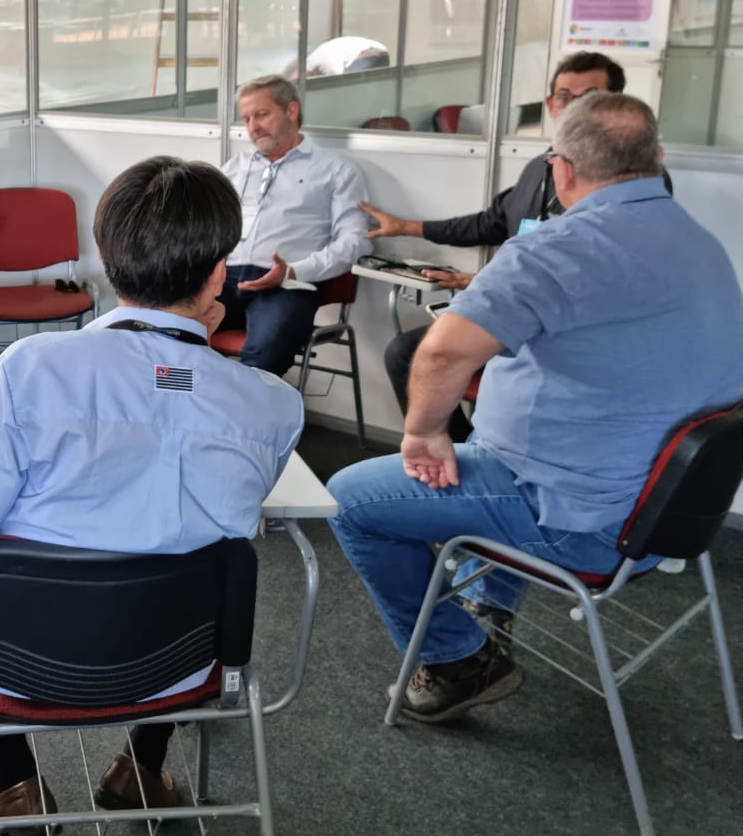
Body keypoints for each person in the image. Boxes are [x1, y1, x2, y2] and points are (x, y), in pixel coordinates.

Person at [0, 155, 303, 833]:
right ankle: (144, 768)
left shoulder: (31, 370)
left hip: (26, 671)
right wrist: (194, 358)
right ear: (215, 275)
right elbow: (172, 399)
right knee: (183, 543)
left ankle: (16, 787)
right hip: (182, 669)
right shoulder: (270, 404)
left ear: (104, 258)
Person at [328, 93, 743, 724]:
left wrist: (423, 433)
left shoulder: (558, 247)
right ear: (656, 159)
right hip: (671, 519)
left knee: (351, 501)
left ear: (562, 170)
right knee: (497, 460)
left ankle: (458, 659)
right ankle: (490, 608)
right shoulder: (701, 243)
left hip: (584, 521)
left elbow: (440, 355)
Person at [359, 53, 650, 439]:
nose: (574, 107)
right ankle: (456, 455)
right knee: (408, 352)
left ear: (616, 104)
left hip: (567, 332)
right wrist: (406, 227)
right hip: (516, 315)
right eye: (565, 97)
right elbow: (488, 223)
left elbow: (593, 278)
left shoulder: (632, 185)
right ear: (550, 106)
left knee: (431, 352)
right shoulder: (541, 168)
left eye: (590, 97)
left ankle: (469, 459)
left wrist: (485, 283)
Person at [217, 74, 371, 374]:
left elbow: (355, 242)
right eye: (246, 119)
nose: (253, 127)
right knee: (167, 331)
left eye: (261, 115)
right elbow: (206, 227)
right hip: (222, 279)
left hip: (285, 284)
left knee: (265, 353)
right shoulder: (234, 168)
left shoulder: (335, 170)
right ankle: (191, 416)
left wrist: (294, 270)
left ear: (291, 111)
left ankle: (248, 419)